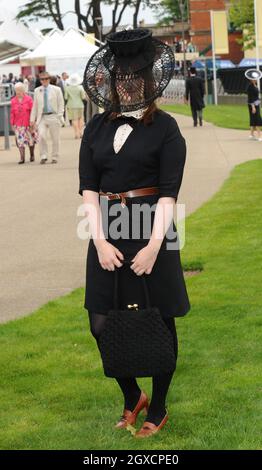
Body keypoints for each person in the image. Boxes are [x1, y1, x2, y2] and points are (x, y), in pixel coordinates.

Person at [79, 28, 190, 438]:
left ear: (147, 82)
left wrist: (153, 248)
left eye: (133, 79)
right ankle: (131, 396)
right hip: (106, 232)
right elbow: (89, 189)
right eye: (119, 79)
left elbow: (168, 195)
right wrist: (99, 240)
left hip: (152, 231)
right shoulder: (94, 129)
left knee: (160, 321)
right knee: (99, 324)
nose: (126, 86)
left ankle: (157, 406)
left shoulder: (167, 128)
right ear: (111, 83)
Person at [30, 71, 64, 164]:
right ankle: (43, 156)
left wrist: (59, 115)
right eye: (42, 79)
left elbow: (61, 104)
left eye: (46, 79)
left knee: (55, 138)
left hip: (54, 115)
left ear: (49, 79)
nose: (44, 81)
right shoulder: (37, 90)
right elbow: (35, 106)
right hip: (42, 117)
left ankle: (55, 156)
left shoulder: (57, 90)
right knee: (41, 135)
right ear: (40, 80)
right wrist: (32, 120)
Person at [10, 82, 38, 164]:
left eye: (19, 90)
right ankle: (22, 158)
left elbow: (33, 111)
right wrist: (12, 124)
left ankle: (32, 155)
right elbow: (12, 113)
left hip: (28, 123)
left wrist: (33, 122)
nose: (18, 92)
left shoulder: (29, 99)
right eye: (16, 90)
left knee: (30, 140)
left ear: (23, 90)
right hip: (18, 124)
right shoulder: (13, 100)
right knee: (20, 141)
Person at [64, 73, 86, 138]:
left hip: (71, 105)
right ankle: (81, 132)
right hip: (80, 105)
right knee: (81, 118)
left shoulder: (67, 88)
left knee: (74, 119)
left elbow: (66, 97)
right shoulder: (80, 87)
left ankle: (76, 133)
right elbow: (83, 97)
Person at [245, 69, 262, 141]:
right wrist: (253, 107)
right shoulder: (250, 86)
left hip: (257, 104)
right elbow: (250, 97)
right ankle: (259, 136)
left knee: (253, 119)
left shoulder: (255, 85)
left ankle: (251, 135)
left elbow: (256, 96)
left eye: (255, 78)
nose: (255, 79)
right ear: (250, 79)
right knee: (257, 119)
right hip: (253, 105)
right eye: (254, 78)